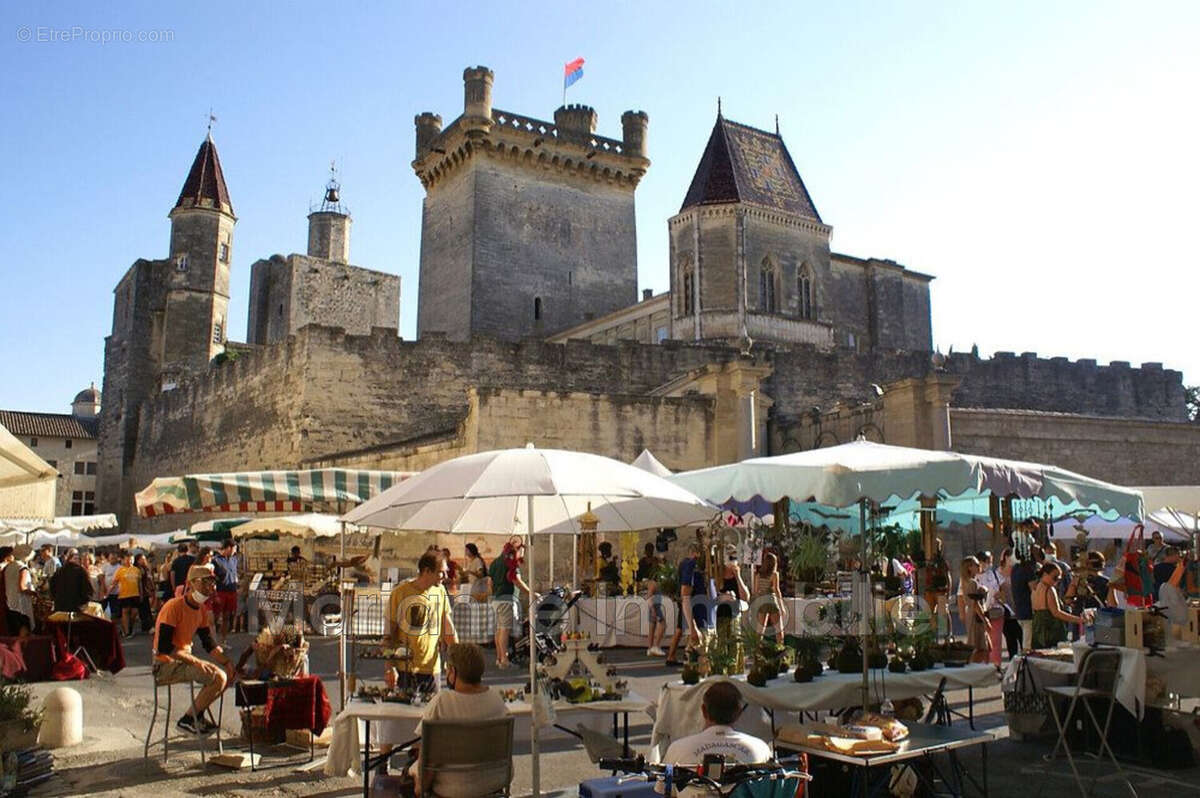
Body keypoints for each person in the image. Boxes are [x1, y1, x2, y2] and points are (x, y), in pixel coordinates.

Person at [404, 643, 510, 797]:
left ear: (453, 672)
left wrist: (419, 786)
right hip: (493, 783)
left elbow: (427, 757)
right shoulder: (496, 699)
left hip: (453, 788)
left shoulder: (442, 702)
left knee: (410, 770)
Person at [152, 563, 235, 735]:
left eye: (212, 583)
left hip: (183, 661)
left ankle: (197, 715)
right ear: (191, 584)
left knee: (224, 676)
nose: (210, 587)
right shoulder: (173, 606)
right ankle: (188, 719)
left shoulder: (201, 610)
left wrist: (227, 663)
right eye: (205, 583)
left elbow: (209, 643)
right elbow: (165, 647)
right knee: (218, 677)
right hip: (164, 664)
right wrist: (197, 662)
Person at [387, 550, 458, 690]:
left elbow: (448, 629)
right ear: (426, 571)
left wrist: (456, 663)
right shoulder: (400, 593)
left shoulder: (440, 591)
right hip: (405, 669)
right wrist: (389, 668)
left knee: (433, 711)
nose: (445, 576)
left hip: (432, 670)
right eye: (441, 572)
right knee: (405, 711)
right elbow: (389, 633)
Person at [663, 681, 771, 766]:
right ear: (738, 713)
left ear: (704, 711)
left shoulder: (677, 749)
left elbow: (666, 791)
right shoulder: (760, 749)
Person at [488, 541, 531, 669]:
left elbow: (489, 583)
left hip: (496, 600)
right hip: (507, 599)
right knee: (504, 630)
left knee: (499, 630)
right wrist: (531, 593)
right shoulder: (511, 563)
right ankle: (505, 660)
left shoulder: (495, 562)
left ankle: (499, 658)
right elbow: (516, 580)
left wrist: (494, 595)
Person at [1031, 562, 1084, 649]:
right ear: (1045, 574)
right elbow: (1056, 613)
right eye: (1055, 577)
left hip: (1037, 627)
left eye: (1059, 578)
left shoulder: (1036, 587)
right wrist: (1079, 620)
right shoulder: (1049, 589)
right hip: (1050, 629)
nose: (1057, 581)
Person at [958, 556, 991, 664]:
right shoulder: (971, 582)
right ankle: (975, 667)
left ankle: (976, 666)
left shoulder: (968, 581)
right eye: (976, 565)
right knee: (980, 647)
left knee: (983, 647)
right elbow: (975, 603)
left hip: (973, 614)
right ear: (969, 568)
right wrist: (985, 619)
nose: (979, 566)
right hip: (975, 616)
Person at [974, 550, 1005, 665]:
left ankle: (996, 665)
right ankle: (982, 665)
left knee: (995, 642)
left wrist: (1000, 595)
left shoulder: (994, 574)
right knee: (981, 642)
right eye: (986, 561)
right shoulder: (972, 578)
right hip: (978, 614)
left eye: (990, 562)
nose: (988, 564)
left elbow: (1003, 589)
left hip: (995, 611)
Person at [637, 543, 666, 657]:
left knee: (652, 625)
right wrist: (653, 610)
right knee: (663, 624)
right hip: (655, 605)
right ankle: (656, 646)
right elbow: (649, 596)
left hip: (655, 604)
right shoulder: (653, 582)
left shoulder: (656, 581)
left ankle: (650, 648)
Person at [1009, 546, 1039, 652]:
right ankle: (1027, 664)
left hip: (1019, 609)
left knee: (1025, 640)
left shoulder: (1015, 569)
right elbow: (1034, 589)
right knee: (1028, 643)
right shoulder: (1028, 569)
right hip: (1028, 610)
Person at [922, 538, 952, 641]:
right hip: (930, 590)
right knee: (928, 614)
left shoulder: (942, 562)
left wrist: (949, 591)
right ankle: (930, 637)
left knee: (943, 614)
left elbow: (948, 577)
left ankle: (946, 637)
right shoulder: (927, 561)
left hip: (941, 590)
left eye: (937, 545)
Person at [4, 545, 37, 636]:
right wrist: (35, 593)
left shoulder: (8, 566)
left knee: (14, 630)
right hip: (21, 604)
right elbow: (22, 587)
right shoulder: (22, 568)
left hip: (10, 602)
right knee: (23, 629)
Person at [211, 540, 240, 641]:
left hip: (232, 591)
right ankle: (213, 640)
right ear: (229, 548)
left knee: (227, 617)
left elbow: (235, 572)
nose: (235, 551)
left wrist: (236, 581)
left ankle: (223, 640)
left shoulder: (234, 559)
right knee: (215, 617)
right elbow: (212, 577)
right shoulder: (215, 560)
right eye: (235, 548)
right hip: (220, 592)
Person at [753, 552, 787, 637]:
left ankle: (756, 649)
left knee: (760, 629)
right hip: (771, 600)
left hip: (762, 600)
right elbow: (776, 590)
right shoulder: (774, 574)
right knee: (779, 629)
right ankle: (780, 648)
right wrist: (782, 606)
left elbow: (755, 591)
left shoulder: (758, 575)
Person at [51, 548, 93, 613]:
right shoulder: (81, 571)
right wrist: (83, 602)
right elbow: (87, 590)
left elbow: (52, 586)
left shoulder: (59, 571)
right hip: (75, 608)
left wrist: (55, 598)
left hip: (60, 607)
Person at [715, 545, 749, 626]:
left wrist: (738, 576)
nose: (732, 560)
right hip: (719, 617)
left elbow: (745, 598)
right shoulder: (717, 575)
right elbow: (710, 597)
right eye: (730, 557)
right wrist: (722, 597)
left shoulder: (738, 575)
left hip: (735, 616)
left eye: (734, 557)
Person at [113, 551, 143, 637]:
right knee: (125, 612)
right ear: (124, 560)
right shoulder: (120, 570)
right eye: (128, 559)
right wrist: (108, 592)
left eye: (131, 559)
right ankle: (126, 632)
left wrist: (141, 593)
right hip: (124, 594)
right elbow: (115, 582)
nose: (130, 561)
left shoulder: (137, 570)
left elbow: (139, 583)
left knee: (134, 612)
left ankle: (129, 627)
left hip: (135, 594)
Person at [135, 553, 157, 632]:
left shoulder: (145, 568)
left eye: (144, 559)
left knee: (147, 609)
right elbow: (140, 582)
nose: (144, 561)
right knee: (144, 610)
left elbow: (150, 579)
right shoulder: (138, 569)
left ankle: (147, 626)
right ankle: (148, 626)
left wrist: (152, 588)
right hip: (142, 591)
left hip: (147, 590)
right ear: (138, 561)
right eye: (142, 559)